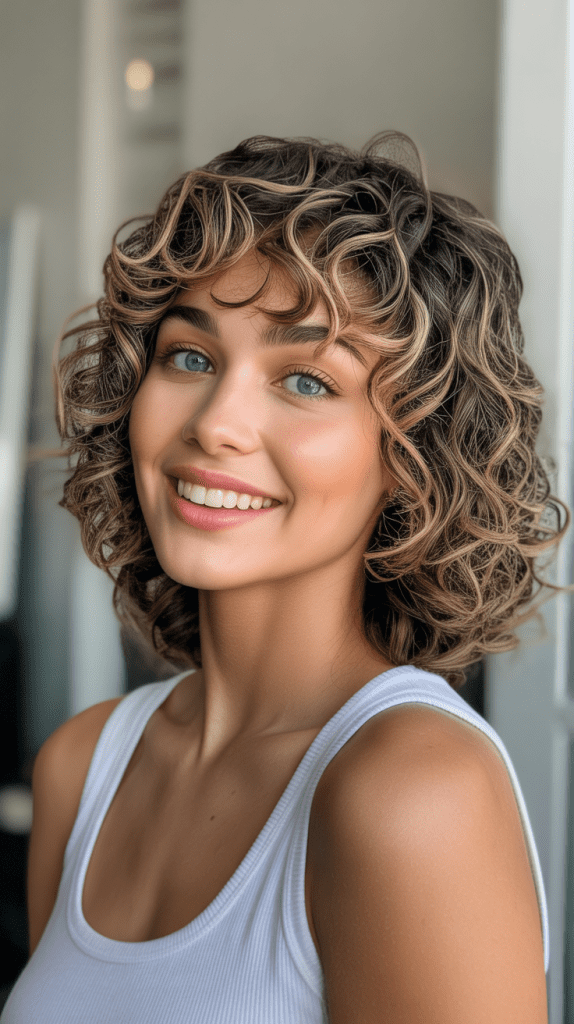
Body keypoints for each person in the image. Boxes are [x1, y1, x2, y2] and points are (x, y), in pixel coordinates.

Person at [2, 132, 568, 1023]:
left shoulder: (412, 790)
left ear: (411, 456)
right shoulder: (83, 767)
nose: (217, 425)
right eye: (190, 358)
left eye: (305, 380)